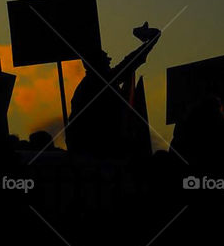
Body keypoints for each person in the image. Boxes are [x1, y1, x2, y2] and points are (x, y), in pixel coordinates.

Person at [68, 22, 161, 159]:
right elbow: (128, 64)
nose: (109, 60)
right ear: (97, 63)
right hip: (99, 150)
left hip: (93, 148)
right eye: (105, 58)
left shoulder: (90, 84)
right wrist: (151, 41)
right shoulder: (98, 82)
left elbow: (127, 65)